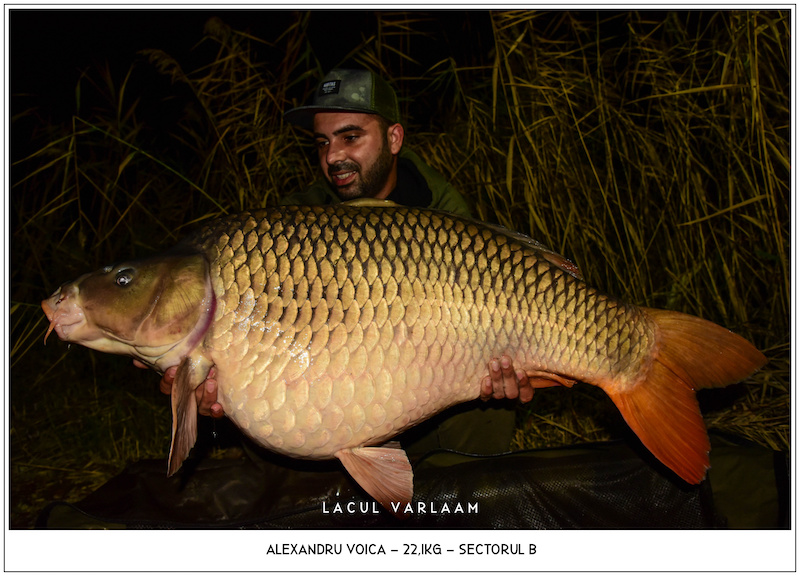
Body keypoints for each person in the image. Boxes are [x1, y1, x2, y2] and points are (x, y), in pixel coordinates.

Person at [155, 69, 534, 457]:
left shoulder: (442, 209)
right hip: (337, 388)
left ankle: (448, 503)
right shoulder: (295, 221)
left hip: (425, 389)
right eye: (322, 142)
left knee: (490, 410)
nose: (333, 156)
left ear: (394, 138)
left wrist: (502, 373)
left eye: (350, 137)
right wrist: (214, 386)